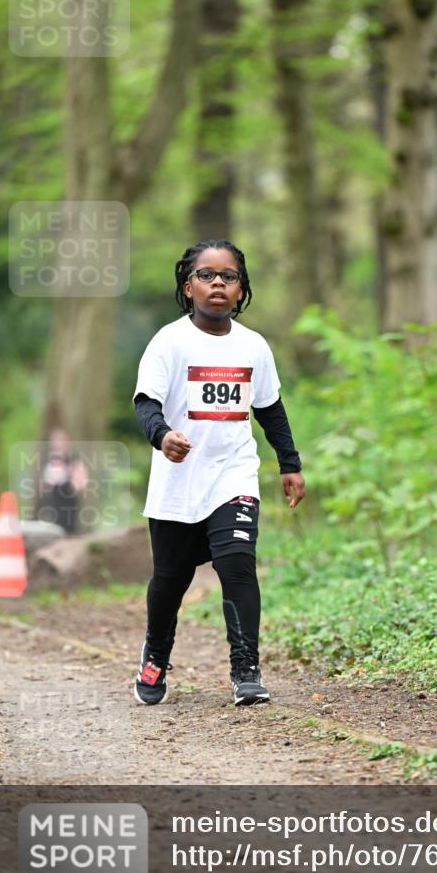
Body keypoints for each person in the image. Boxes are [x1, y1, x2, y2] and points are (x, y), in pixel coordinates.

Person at [132, 239, 305, 707]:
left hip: (233, 475)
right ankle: (156, 653)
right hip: (177, 480)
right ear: (188, 286)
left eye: (228, 277)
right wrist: (162, 436)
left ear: (241, 289)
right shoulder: (169, 342)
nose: (217, 284)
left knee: (238, 565)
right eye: (206, 276)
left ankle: (246, 670)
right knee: (170, 579)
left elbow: (270, 408)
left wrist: (289, 464)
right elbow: (146, 402)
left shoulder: (253, 347)